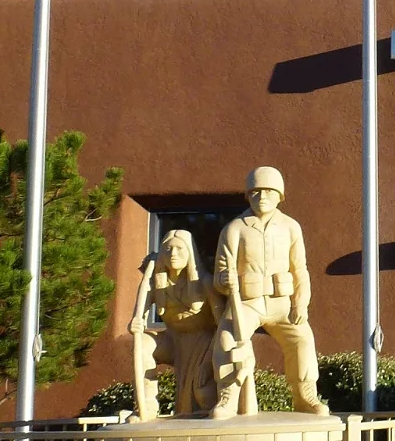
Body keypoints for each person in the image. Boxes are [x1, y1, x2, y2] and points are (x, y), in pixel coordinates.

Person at [210, 166, 329, 418]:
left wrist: (301, 304)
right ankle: (228, 396)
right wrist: (224, 279)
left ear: (279, 195)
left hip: (281, 303)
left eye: (268, 191)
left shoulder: (290, 227)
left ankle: (305, 394)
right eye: (255, 191)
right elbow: (220, 275)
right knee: (228, 337)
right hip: (248, 302)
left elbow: (300, 270)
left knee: (303, 339)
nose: (261, 196)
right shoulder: (234, 229)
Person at [128, 229, 218, 420]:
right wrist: (136, 323)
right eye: (168, 249)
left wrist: (210, 360)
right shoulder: (155, 283)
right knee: (143, 344)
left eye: (179, 249)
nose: (173, 254)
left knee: (202, 395)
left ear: (190, 253)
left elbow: (223, 326)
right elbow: (139, 317)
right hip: (173, 341)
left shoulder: (205, 283)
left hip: (204, 344)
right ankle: (146, 408)